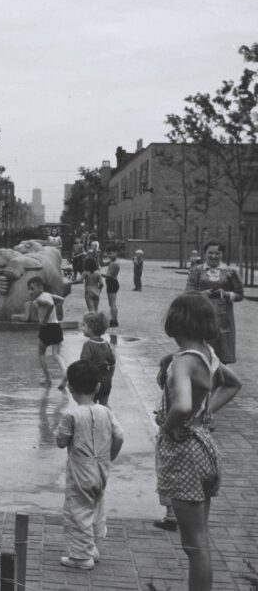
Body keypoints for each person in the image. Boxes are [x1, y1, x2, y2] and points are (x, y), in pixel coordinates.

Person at [154, 293, 242, 591]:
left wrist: (166, 429)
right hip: (204, 448)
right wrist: (205, 414)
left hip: (185, 454)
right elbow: (232, 384)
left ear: (176, 321)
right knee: (200, 540)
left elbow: (181, 404)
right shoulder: (208, 354)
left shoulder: (183, 361)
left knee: (194, 547)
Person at [54, 360, 124, 570]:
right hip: (101, 470)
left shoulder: (71, 415)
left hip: (80, 473)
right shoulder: (105, 411)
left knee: (78, 511)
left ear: (70, 388)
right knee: (95, 507)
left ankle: (81, 556)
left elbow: (60, 441)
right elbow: (119, 436)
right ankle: (91, 546)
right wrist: (109, 458)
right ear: (98, 387)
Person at [185, 240, 243, 364]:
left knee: (221, 351)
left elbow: (240, 295)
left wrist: (226, 294)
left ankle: (220, 377)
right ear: (205, 253)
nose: (213, 256)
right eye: (210, 253)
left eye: (217, 253)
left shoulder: (230, 272)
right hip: (201, 314)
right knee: (201, 349)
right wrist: (202, 294)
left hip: (223, 316)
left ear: (222, 254)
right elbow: (188, 293)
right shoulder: (197, 270)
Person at [13, 276, 68, 389]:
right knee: (56, 355)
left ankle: (48, 379)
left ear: (40, 288)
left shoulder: (39, 299)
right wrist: (55, 311)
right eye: (29, 289)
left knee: (41, 353)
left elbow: (50, 304)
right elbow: (61, 300)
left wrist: (45, 317)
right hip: (56, 326)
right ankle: (65, 373)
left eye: (32, 289)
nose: (30, 291)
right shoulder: (48, 295)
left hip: (46, 327)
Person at [79, 312, 116, 407]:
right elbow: (112, 363)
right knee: (105, 404)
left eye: (84, 325)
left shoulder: (88, 345)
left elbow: (84, 364)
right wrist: (109, 377)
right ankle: (111, 420)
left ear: (91, 328)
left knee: (91, 405)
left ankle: (94, 421)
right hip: (106, 382)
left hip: (92, 382)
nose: (81, 328)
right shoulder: (106, 343)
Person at [102, 249, 121, 327]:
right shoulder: (113, 262)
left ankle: (114, 320)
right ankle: (113, 319)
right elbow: (102, 263)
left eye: (111, 254)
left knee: (112, 303)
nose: (109, 256)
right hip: (112, 283)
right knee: (111, 303)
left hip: (112, 282)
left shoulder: (114, 264)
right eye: (108, 254)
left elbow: (110, 276)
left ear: (116, 253)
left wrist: (99, 274)